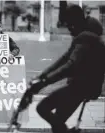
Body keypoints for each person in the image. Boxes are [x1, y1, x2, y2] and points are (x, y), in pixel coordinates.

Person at [19, 4, 105, 133]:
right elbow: (63, 60)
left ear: (76, 22)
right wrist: (41, 77)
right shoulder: (84, 36)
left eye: (70, 24)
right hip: (83, 86)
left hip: (81, 87)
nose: (69, 29)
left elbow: (70, 66)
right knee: (58, 123)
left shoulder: (85, 38)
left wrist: (44, 82)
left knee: (43, 108)